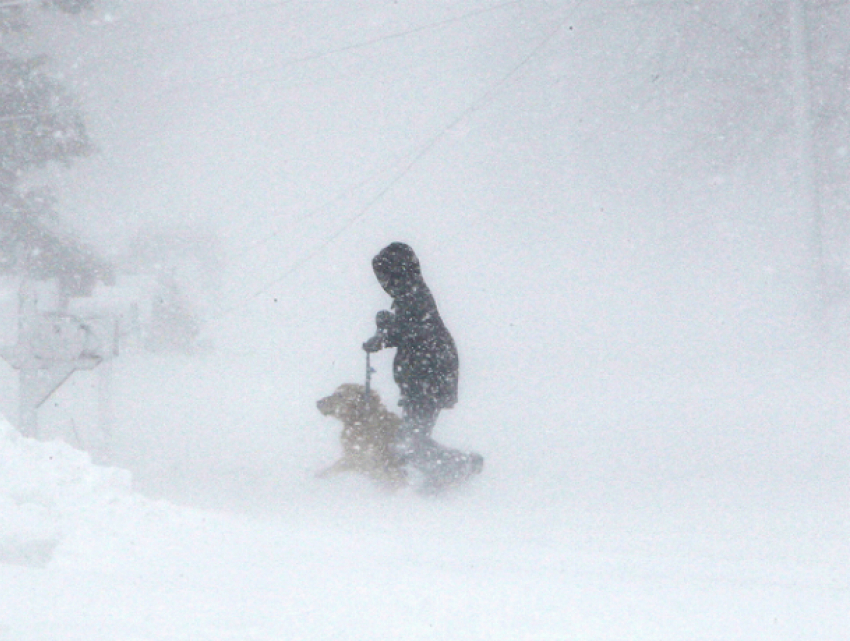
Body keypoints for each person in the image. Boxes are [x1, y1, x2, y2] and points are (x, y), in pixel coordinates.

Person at [363, 242, 482, 491]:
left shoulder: (414, 297)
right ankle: (441, 477)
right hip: (423, 376)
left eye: (386, 276)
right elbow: (409, 331)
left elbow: (414, 331)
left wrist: (386, 331)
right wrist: (385, 333)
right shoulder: (410, 297)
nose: (384, 284)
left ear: (398, 273)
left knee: (410, 441)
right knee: (411, 439)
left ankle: (460, 466)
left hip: (428, 377)